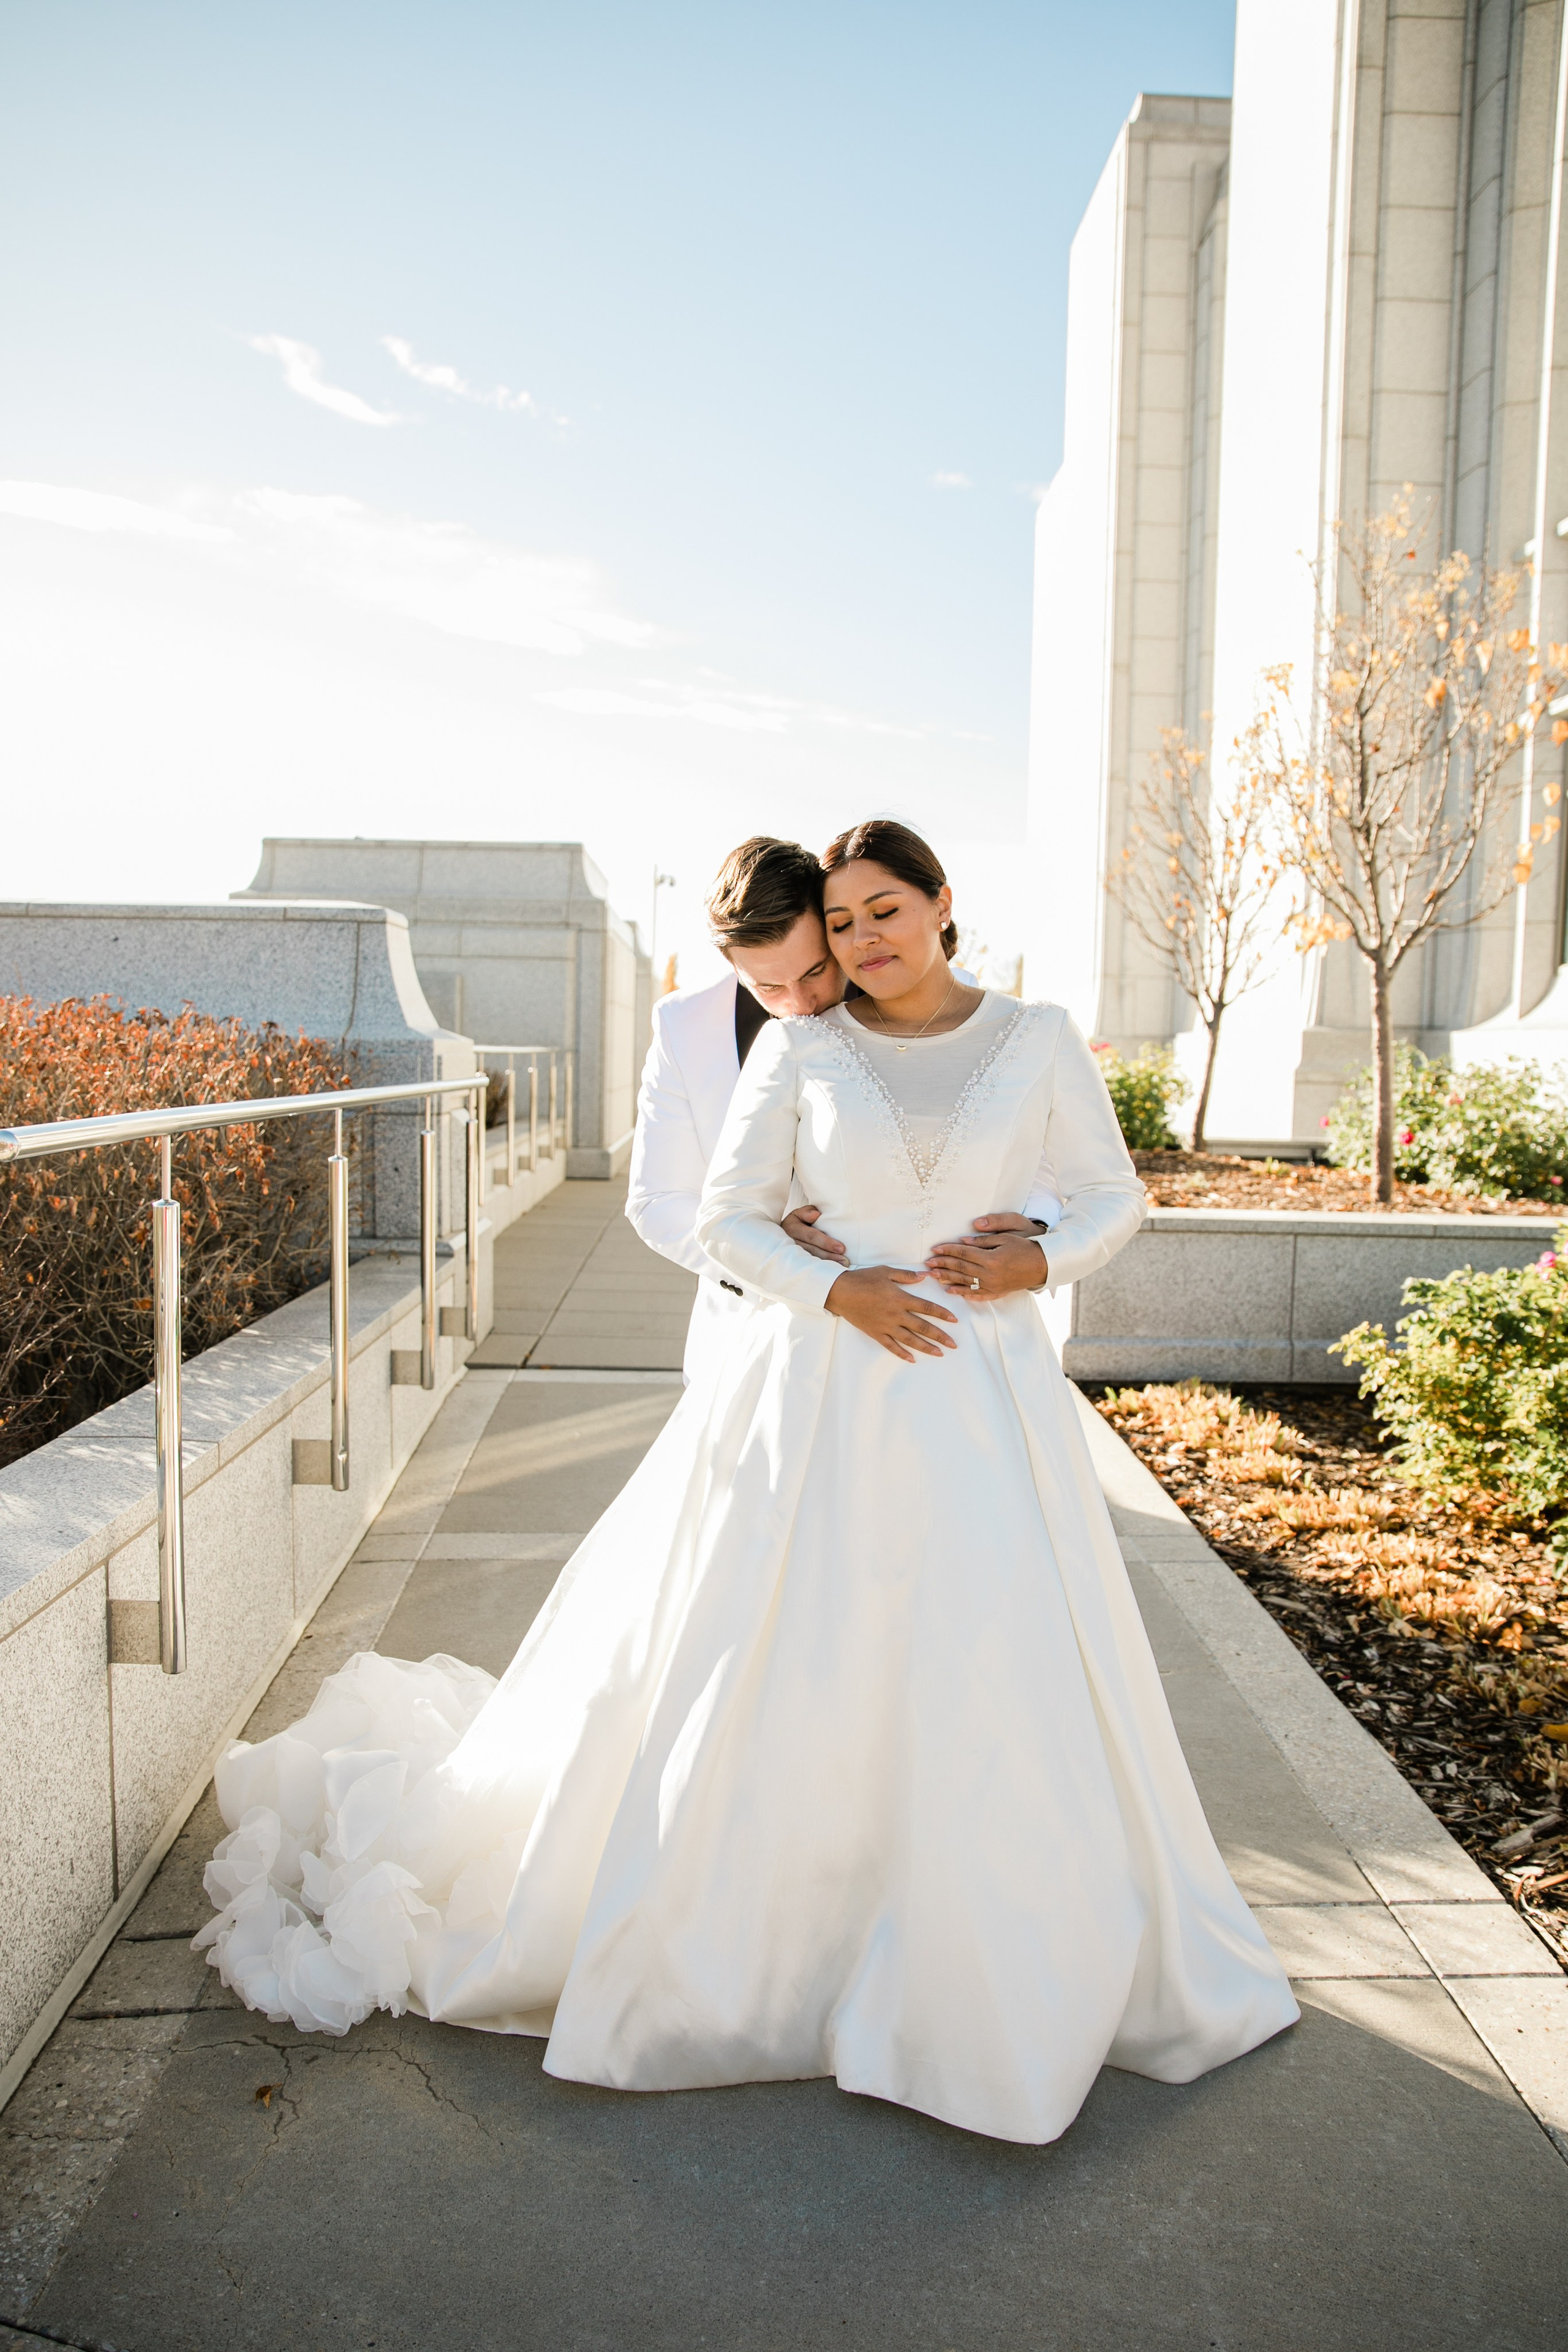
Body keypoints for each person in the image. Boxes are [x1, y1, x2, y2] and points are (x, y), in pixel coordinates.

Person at [197, 817, 1297, 2147]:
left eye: (884, 910)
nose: (863, 939)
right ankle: (771, 1951)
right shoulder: (804, 1046)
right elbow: (718, 1217)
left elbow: (1113, 1196)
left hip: (985, 1400)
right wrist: (834, 1288)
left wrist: (1041, 1257)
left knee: (987, 1660)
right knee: (789, 1651)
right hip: (819, 1388)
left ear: (941, 902)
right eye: (841, 922)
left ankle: (988, 1962)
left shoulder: (1040, 1035)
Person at [627, 833, 1061, 1381]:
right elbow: (657, 1199)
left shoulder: (956, 1008)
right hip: (747, 1339)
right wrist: (776, 1259)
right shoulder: (684, 1025)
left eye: (814, 972)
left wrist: (1037, 1229)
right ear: (731, 965)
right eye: (769, 986)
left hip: (933, 1335)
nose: (799, 1005)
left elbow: (1031, 1147)